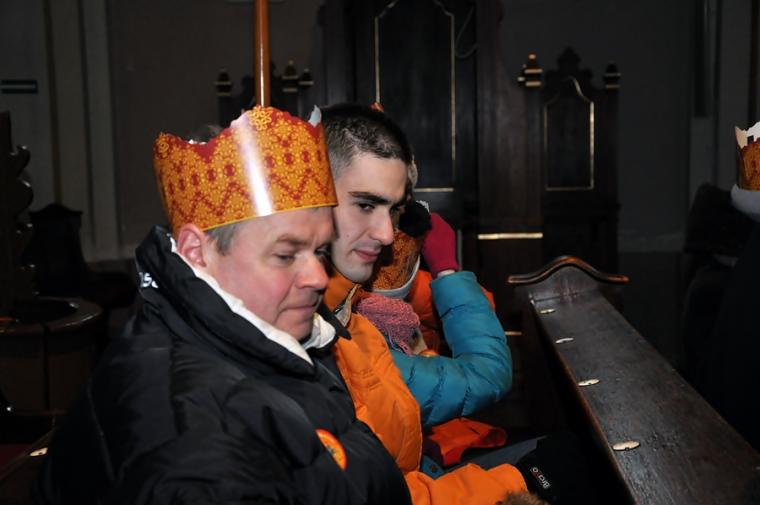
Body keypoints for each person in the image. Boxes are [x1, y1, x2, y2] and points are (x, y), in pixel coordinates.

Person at [33, 106, 412, 505]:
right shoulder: (194, 449)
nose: (318, 277)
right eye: (285, 255)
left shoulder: (275, 336)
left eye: (318, 251)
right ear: (197, 252)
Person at [321, 104, 525, 504]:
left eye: (395, 210)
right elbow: (487, 374)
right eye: (365, 205)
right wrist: (448, 270)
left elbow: (425, 312)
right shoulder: (331, 331)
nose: (386, 234)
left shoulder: (359, 314)